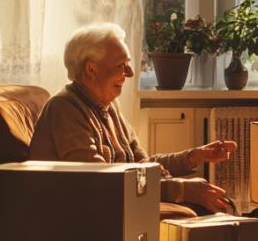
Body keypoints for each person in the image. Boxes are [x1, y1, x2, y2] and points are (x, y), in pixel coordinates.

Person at [28, 22, 237, 218]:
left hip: (111, 202)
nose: (129, 73)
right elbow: (101, 180)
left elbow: (143, 165)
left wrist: (193, 156)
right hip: (80, 213)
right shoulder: (64, 108)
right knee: (203, 206)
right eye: (122, 65)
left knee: (215, 200)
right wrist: (181, 190)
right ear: (92, 69)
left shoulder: (108, 106)